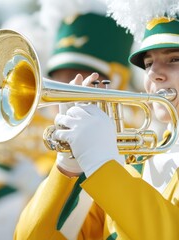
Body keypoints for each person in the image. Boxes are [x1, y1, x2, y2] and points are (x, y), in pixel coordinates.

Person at [14, 1, 179, 240]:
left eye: (174, 59)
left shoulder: (115, 171)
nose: (153, 74)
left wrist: (103, 166)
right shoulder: (134, 166)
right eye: (148, 63)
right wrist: (67, 167)